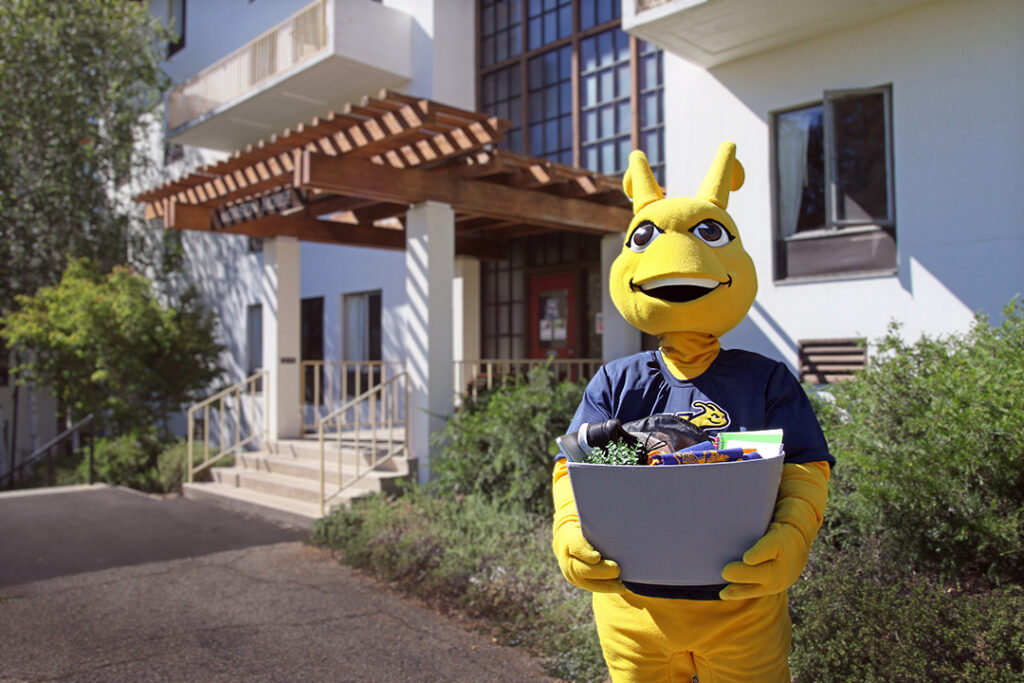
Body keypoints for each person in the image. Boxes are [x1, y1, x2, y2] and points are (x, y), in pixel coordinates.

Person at [552, 142, 833, 682]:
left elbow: (803, 467)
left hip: (740, 612)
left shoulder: (764, 380)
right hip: (633, 615)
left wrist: (793, 534)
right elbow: (575, 469)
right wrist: (569, 530)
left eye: (706, 235)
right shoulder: (617, 381)